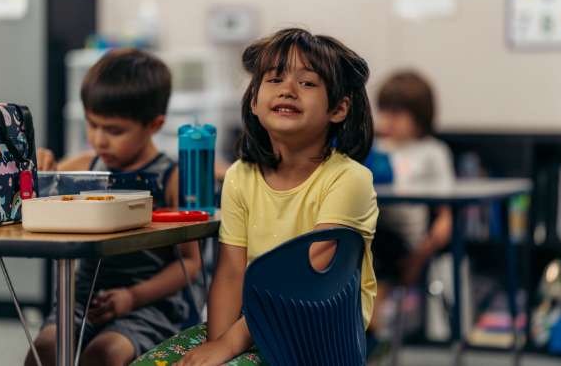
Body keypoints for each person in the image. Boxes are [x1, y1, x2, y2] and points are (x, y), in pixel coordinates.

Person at [131, 28, 378, 366]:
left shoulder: (350, 179)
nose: (288, 90)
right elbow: (231, 272)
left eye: (307, 83)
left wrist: (229, 345)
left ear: (338, 108)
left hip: (317, 339)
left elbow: (307, 284)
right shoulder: (241, 177)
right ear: (253, 101)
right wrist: (217, 344)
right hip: (252, 330)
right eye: (274, 80)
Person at [26, 48, 202, 366]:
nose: (99, 140)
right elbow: (32, 201)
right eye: (92, 125)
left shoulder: (172, 178)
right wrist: (39, 174)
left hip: (149, 302)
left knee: (104, 355)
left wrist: (133, 297)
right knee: (46, 351)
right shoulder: (83, 167)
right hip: (82, 298)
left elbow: (190, 265)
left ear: (154, 125)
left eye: (114, 130)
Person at [367, 71, 454, 346]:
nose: (388, 120)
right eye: (384, 111)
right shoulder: (373, 148)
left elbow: (446, 217)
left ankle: (368, 335)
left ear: (419, 116)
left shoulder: (432, 152)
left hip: (406, 243)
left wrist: (420, 255)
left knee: (373, 253)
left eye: (397, 113)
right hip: (369, 230)